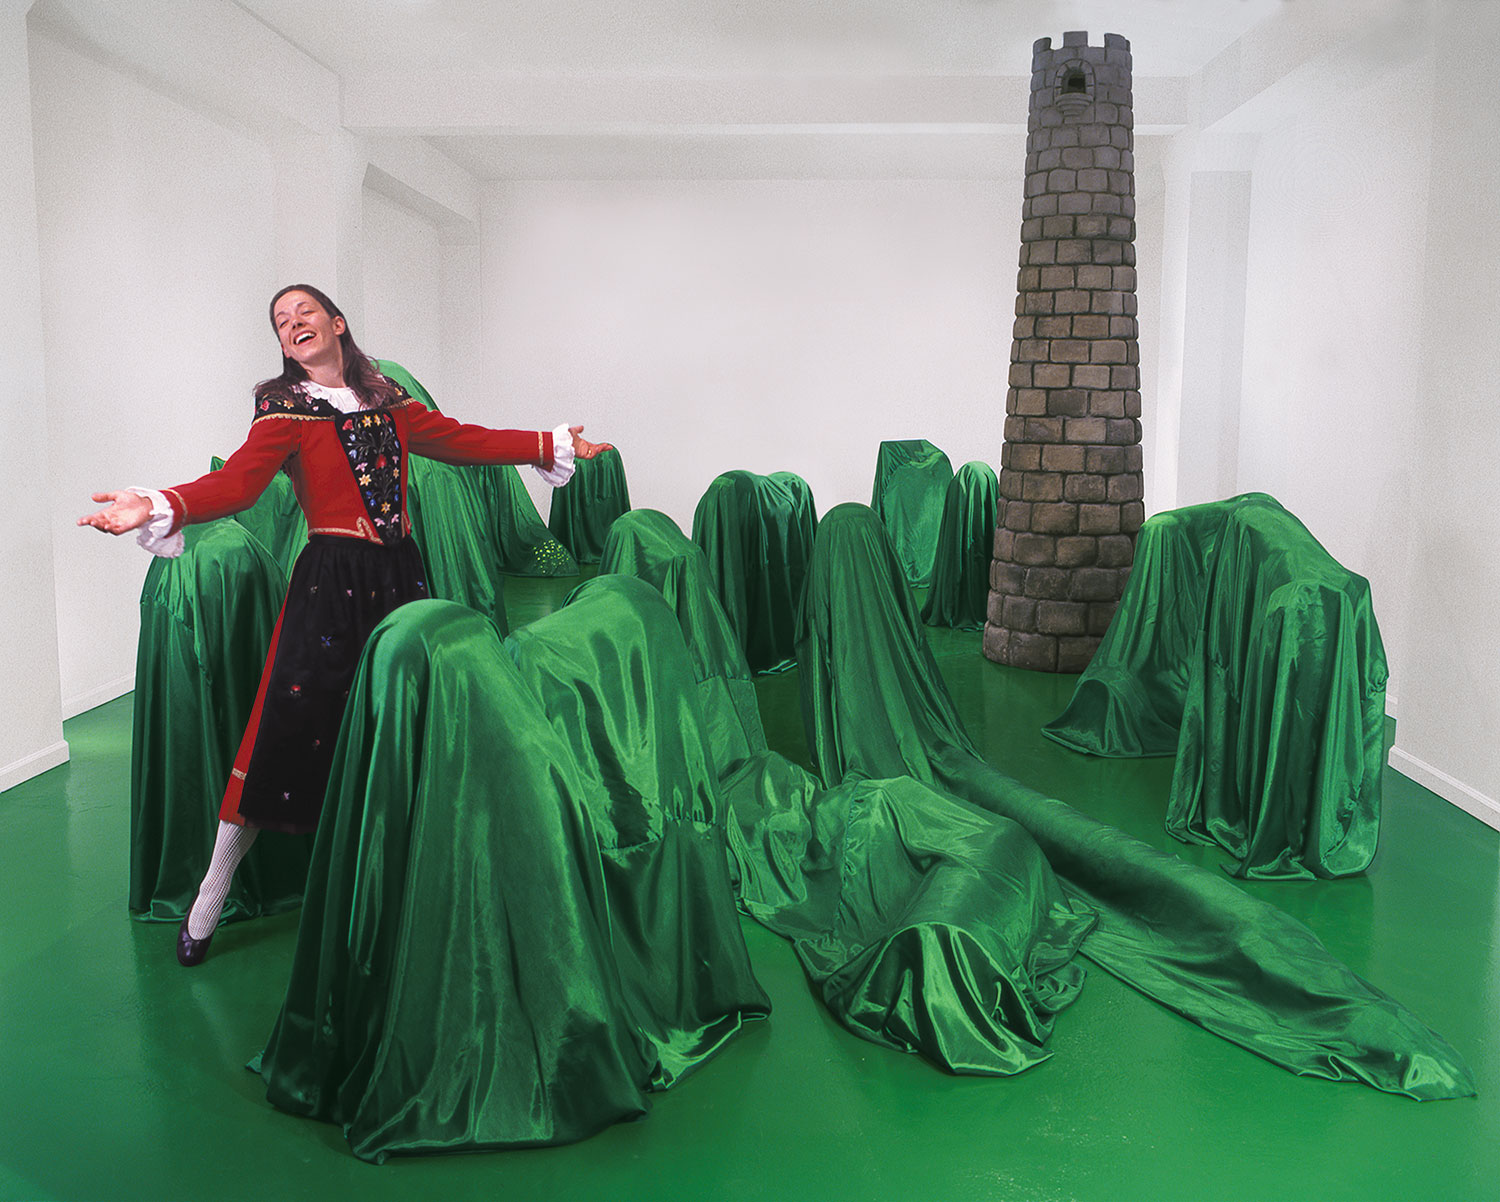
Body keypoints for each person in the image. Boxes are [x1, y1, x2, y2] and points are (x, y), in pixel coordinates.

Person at [79, 284, 609, 966]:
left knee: (406, 726)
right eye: (280, 321)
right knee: (281, 735)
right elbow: (238, 483)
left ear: (337, 322)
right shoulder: (284, 410)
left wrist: (549, 442)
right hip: (329, 584)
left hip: (401, 582)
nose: (293, 324)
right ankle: (212, 893)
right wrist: (160, 503)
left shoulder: (388, 400)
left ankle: (408, 886)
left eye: (304, 312)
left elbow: (462, 439)